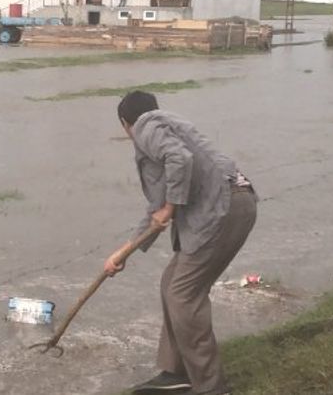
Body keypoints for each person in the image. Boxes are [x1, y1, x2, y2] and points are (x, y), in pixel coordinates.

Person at [104, 91, 257, 395]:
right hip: (235, 203)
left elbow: (180, 160)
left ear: (125, 124)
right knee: (171, 282)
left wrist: (171, 208)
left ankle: (210, 387)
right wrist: (124, 253)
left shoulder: (146, 127)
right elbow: (156, 210)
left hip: (222, 209)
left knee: (183, 295)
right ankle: (177, 371)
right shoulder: (168, 126)